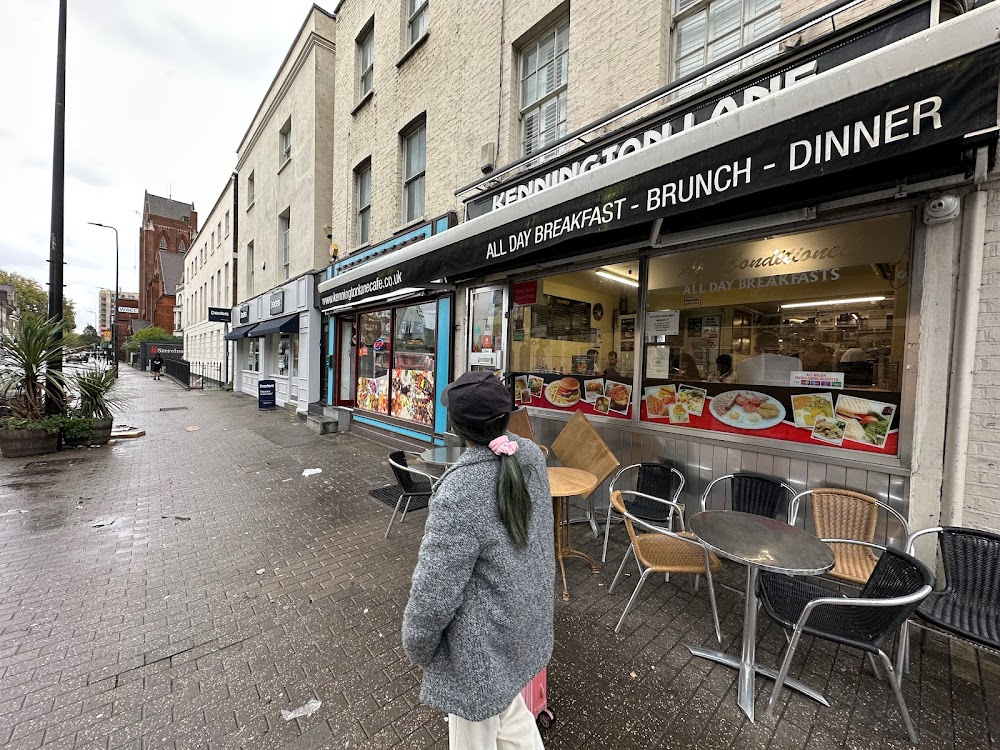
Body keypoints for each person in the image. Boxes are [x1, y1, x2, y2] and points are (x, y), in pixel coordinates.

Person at [403, 371, 554, 750]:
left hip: (479, 652)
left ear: (456, 427)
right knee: (515, 723)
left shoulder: (459, 490)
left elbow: (433, 590)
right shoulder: (531, 457)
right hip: (523, 625)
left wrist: (418, 644)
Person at [736, 331, 801, 386]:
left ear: (755, 349)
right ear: (778, 348)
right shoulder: (795, 362)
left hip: (754, 399)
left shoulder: (743, 365)